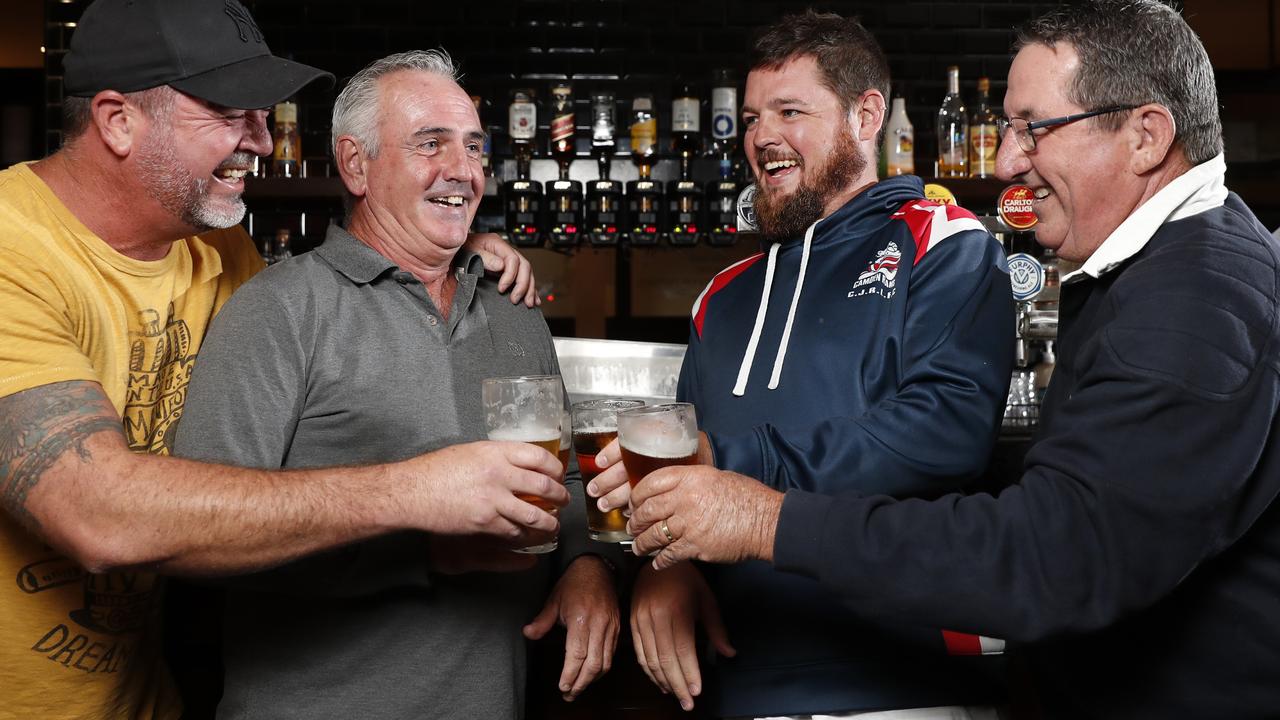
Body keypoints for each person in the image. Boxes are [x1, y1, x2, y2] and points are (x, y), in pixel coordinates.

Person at [622, 1, 1280, 717]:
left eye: (1034, 128)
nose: (1004, 162)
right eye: (1007, 130)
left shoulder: (1196, 301)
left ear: (1146, 136)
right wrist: (666, 557)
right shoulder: (1159, 274)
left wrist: (760, 516)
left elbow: (1048, 556)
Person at [0, 2, 553, 718]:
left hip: (139, 698)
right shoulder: (14, 249)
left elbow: (345, 301)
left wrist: (450, 245)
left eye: (263, 115)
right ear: (118, 121)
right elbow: (100, 517)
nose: (262, 140)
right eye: (231, 112)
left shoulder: (215, 248)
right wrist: (415, 493)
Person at [171, 49, 620, 719]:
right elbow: (193, 535)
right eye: (428, 145)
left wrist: (587, 564)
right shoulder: (279, 310)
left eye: (472, 147)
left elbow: (568, 481)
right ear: (355, 164)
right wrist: (425, 552)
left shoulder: (514, 311)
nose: (461, 170)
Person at [591, 10, 1015, 718]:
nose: (762, 137)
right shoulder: (720, 297)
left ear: (865, 115)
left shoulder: (943, 242)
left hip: (900, 690)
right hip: (736, 689)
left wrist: (727, 462)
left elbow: (946, 431)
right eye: (755, 116)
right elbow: (671, 476)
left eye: (791, 111)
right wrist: (664, 570)